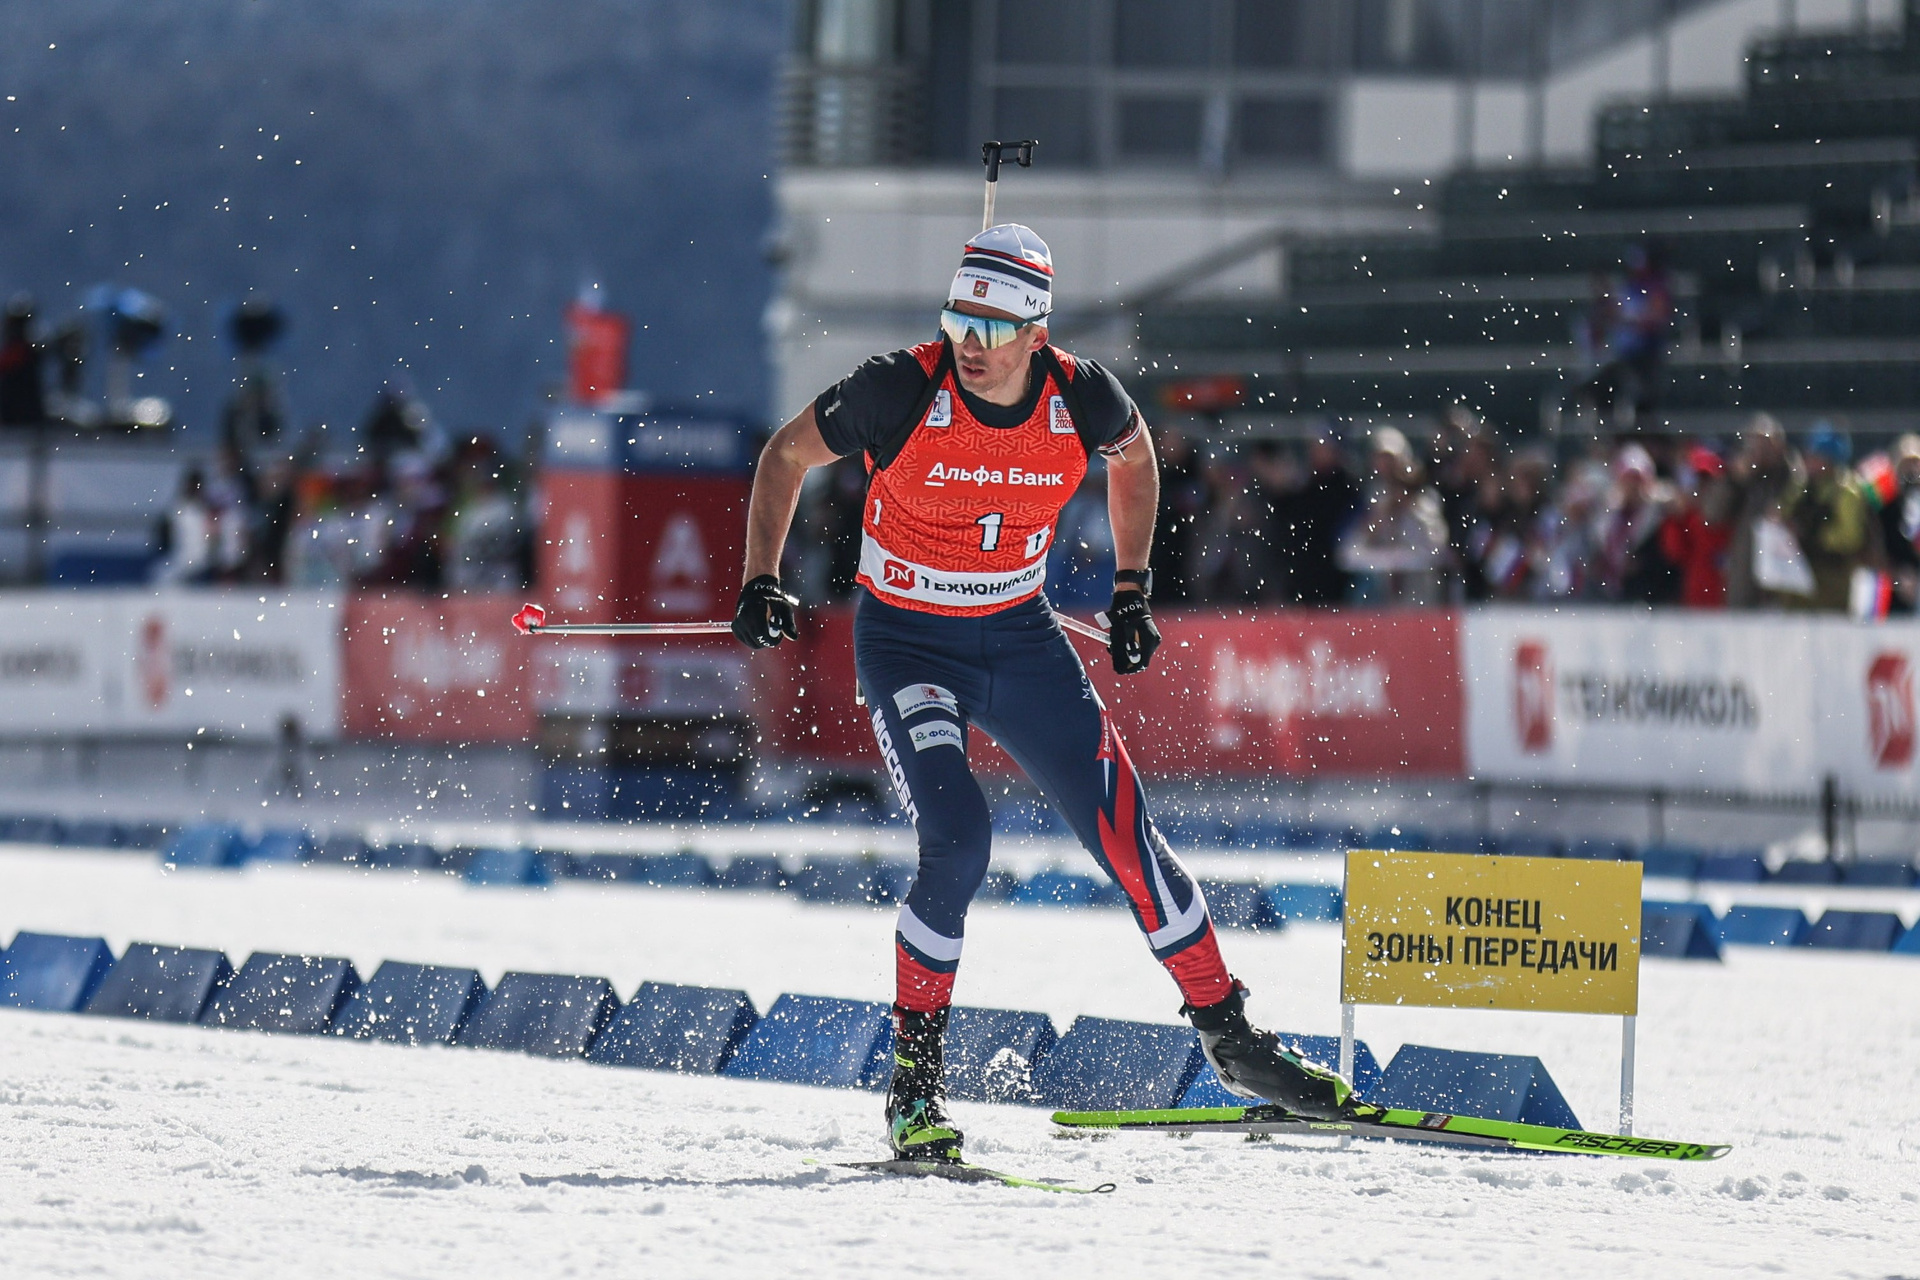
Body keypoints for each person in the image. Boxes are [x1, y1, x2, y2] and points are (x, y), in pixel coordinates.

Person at [730, 224, 1362, 1164]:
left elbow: (1136, 460)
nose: (969, 346)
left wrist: (1133, 589)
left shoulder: (1082, 395)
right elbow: (785, 455)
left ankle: (1231, 1039)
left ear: (1037, 333)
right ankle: (914, 1088)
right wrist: (761, 578)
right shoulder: (899, 386)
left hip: (1019, 640)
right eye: (958, 322)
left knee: (1127, 835)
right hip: (908, 645)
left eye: (991, 329)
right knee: (958, 841)